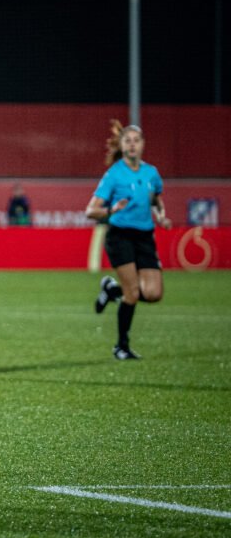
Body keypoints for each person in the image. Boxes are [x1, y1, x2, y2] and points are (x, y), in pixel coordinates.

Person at [86, 121, 171, 360]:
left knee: (153, 293)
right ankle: (121, 347)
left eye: (136, 140)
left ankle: (112, 289)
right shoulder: (114, 175)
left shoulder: (151, 173)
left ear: (143, 144)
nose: (132, 145)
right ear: (122, 146)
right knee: (132, 293)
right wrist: (111, 210)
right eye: (128, 141)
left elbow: (156, 199)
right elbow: (91, 211)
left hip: (144, 236)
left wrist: (161, 216)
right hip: (120, 235)